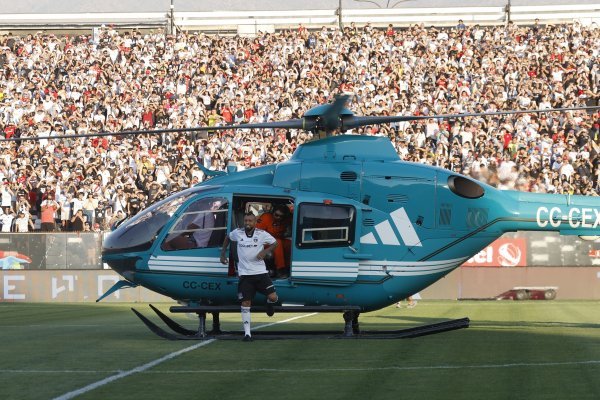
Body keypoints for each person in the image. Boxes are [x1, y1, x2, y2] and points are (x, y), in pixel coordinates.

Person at [220, 212, 279, 342]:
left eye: (250, 221)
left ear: (255, 221)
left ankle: (269, 304)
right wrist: (223, 253)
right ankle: (247, 334)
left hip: (261, 273)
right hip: (245, 275)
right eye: (246, 220)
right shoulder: (237, 233)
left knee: (273, 297)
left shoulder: (261, 234)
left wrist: (265, 251)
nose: (247, 223)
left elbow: (275, 243)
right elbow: (227, 238)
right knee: (246, 303)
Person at [256, 204, 292, 278]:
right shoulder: (266, 217)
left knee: (289, 243)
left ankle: (288, 268)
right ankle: (280, 270)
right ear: (273, 212)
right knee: (277, 242)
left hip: (277, 240)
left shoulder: (286, 220)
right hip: (263, 242)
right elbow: (257, 234)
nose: (278, 217)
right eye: (276, 215)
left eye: (281, 216)